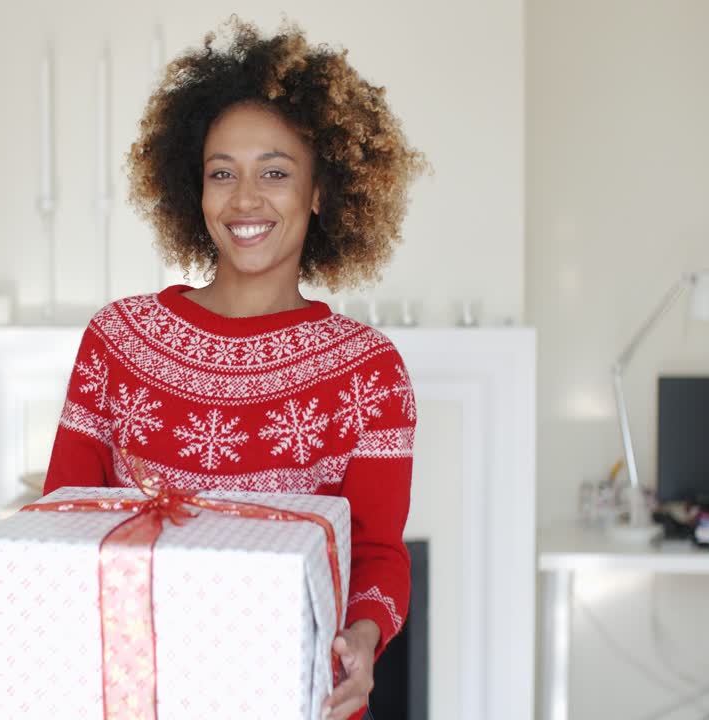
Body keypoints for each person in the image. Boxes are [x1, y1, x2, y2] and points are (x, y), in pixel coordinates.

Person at [45, 17, 426, 720]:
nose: (245, 199)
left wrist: (363, 641)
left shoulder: (369, 372)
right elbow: (65, 522)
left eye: (275, 173)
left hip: (295, 694)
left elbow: (377, 554)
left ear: (320, 191)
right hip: (141, 692)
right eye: (223, 173)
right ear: (195, 188)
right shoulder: (117, 340)